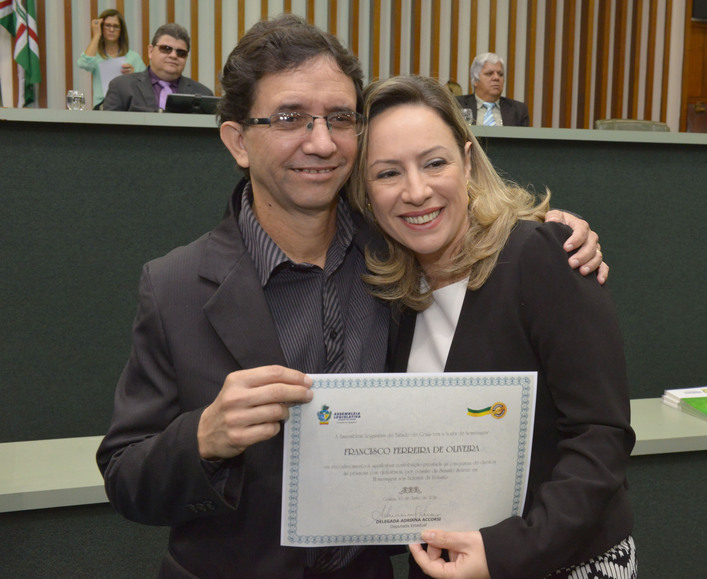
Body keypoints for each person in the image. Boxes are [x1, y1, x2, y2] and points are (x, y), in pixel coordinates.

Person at [96, 15, 605, 578]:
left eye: (340, 117)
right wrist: (202, 439)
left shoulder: (398, 256)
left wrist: (551, 231)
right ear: (239, 141)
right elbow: (124, 474)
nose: (321, 142)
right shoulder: (174, 285)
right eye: (289, 117)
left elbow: (475, 239)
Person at [350, 75, 635, 579]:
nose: (416, 191)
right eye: (388, 173)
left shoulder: (542, 256)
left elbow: (601, 435)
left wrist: (508, 553)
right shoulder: (388, 293)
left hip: (561, 562)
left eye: (434, 163)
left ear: (467, 162)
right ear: (366, 193)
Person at [103, 23, 213, 112]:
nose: (173, 56)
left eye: (181, 53)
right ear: (150, 51)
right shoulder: (121, 87)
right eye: (166, 49)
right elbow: (108, 130)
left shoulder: (203, 95)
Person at [77, 9, 146, 109]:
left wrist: (133, 76)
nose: (112, 29)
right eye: (107, 25)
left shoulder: (133, 57)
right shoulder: (96, 55)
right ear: (101, 28)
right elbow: (84, 63)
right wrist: (96, 35)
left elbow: (145, 86)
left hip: (126, 106)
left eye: (116, 26)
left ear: (121, 31)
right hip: (102, 106)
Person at [456, 52, 530, 127]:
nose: (496, 78)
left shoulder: (518, 110)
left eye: (500, 74)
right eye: (489, 73)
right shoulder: (457, 105)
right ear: (475, 80)